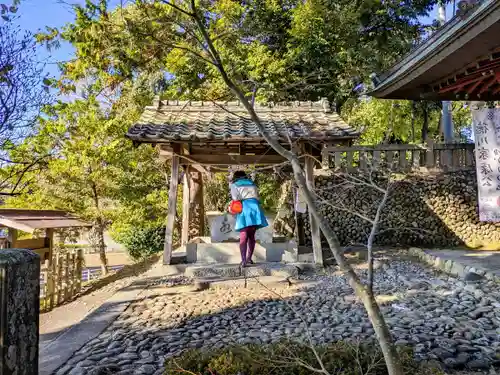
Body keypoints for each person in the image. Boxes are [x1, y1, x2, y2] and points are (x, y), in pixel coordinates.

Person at [229, 171, 268, 267]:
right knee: (251, 235)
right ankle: (249, 258)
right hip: (255, 208)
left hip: (245, 209)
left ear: (235, 177)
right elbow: (258, 198)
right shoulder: (253, 184)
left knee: (243, 234)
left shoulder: (235, 185)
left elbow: (235, 198)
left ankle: (243, 261)